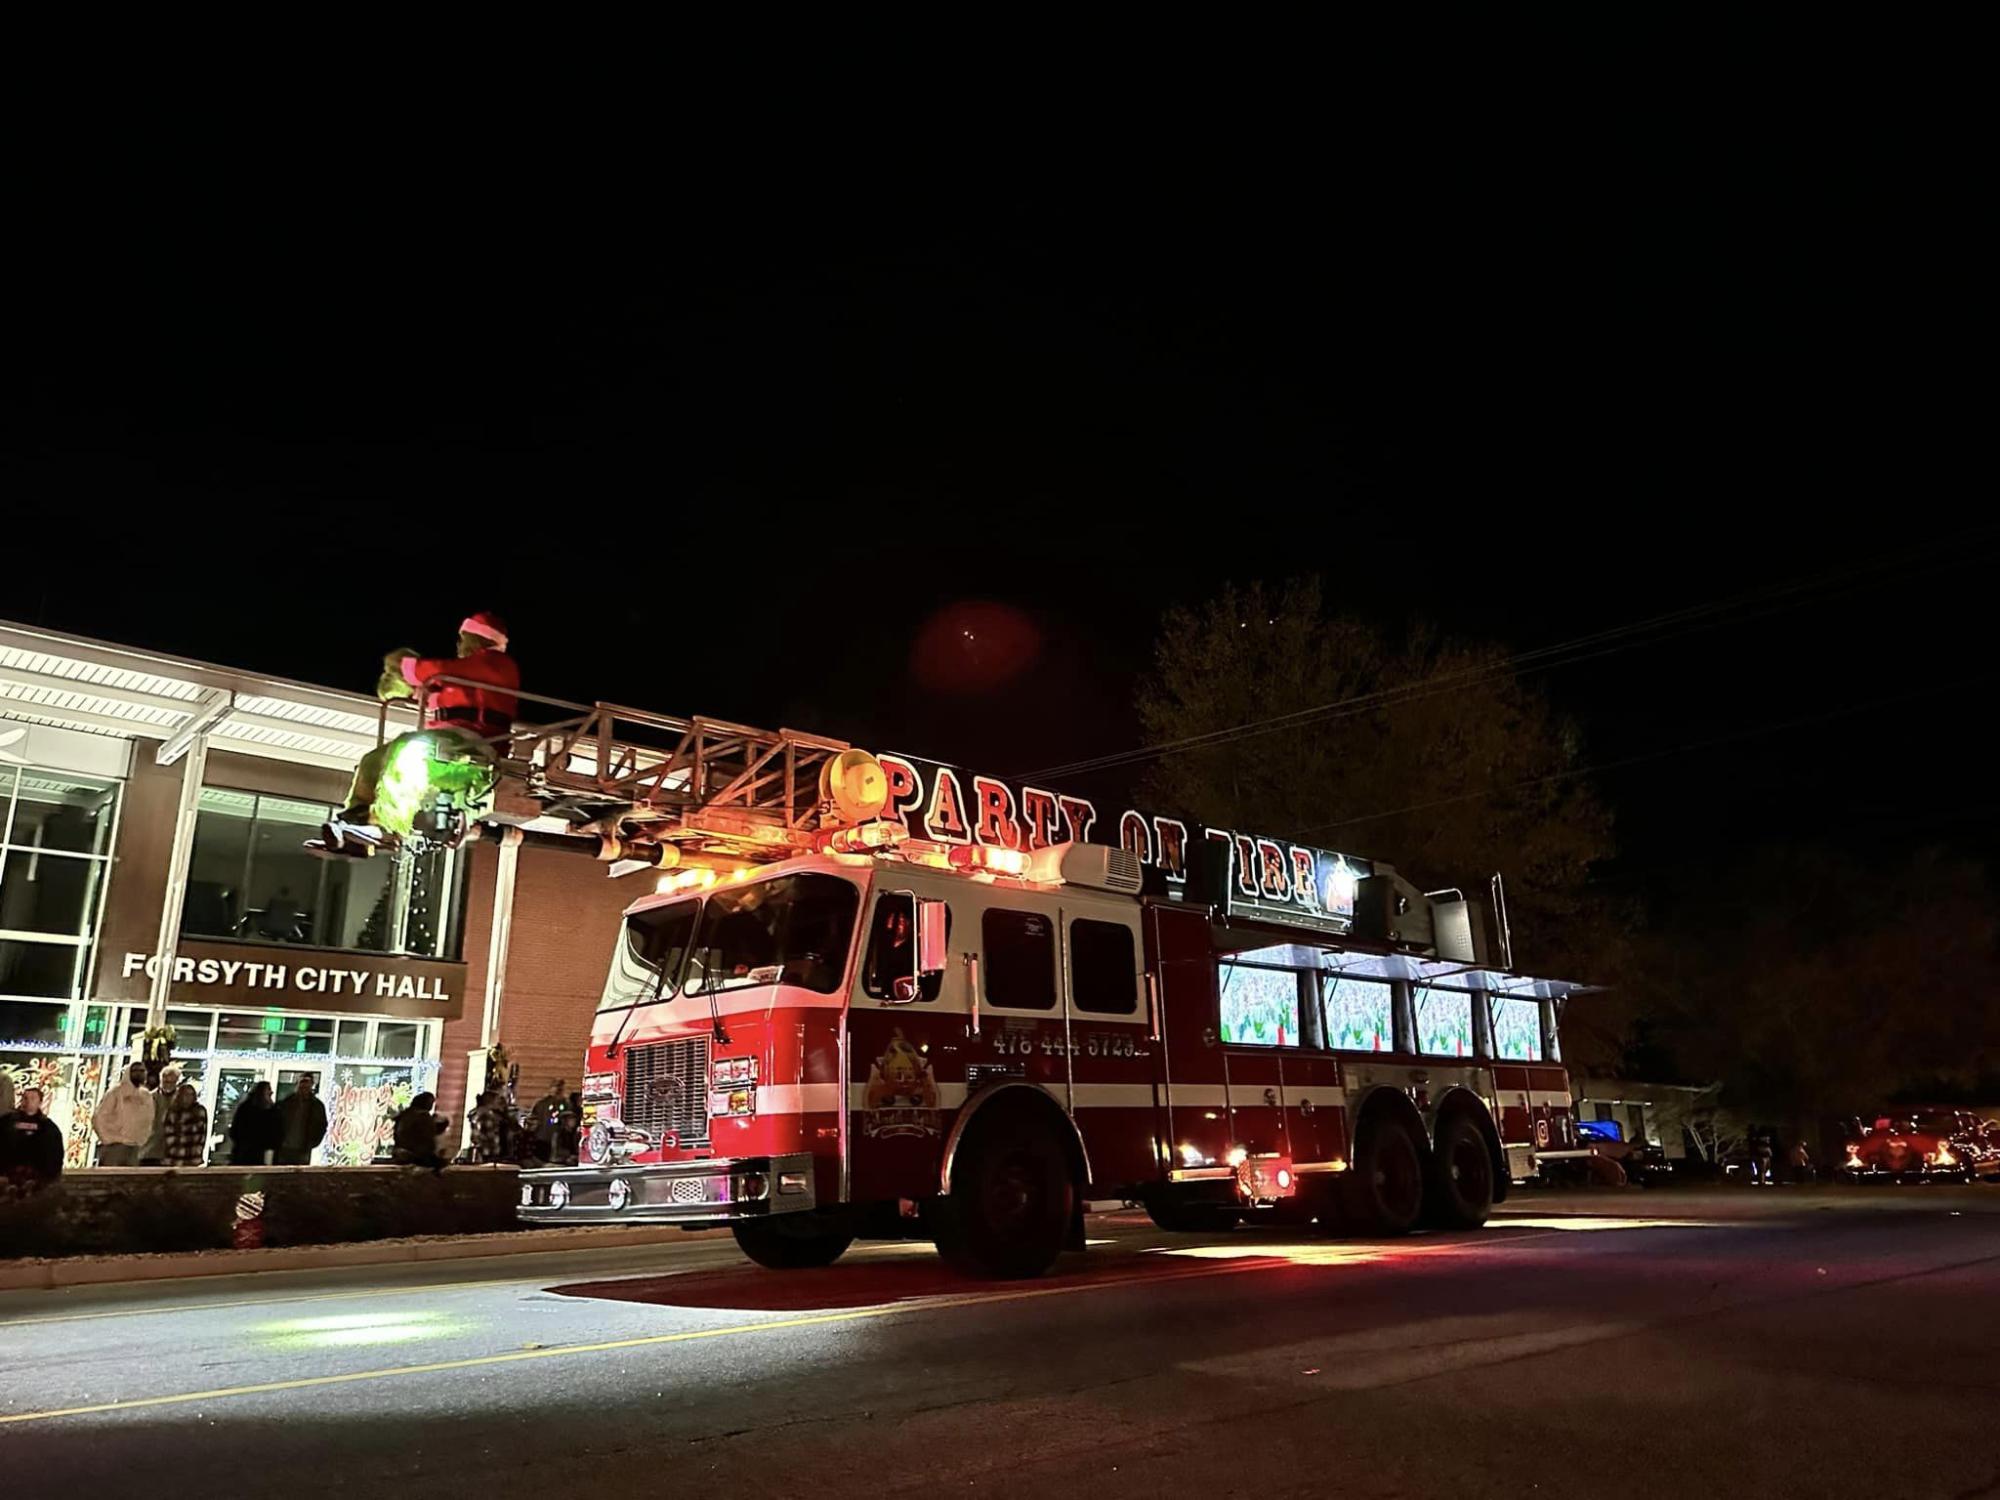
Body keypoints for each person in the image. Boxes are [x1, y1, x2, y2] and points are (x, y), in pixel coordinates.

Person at [323, 612, 520, 849]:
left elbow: (436, 671)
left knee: (407, 754)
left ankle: (382, 824)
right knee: (373, 760)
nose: (458, 645)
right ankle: (354, 819)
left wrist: (405, 666)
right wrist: (404, 689)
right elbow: (436, 688)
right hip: (449, 741)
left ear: (475, 638)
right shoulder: (465, 674)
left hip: (474, 743)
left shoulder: (497, 664)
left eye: (463, 638)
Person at [0, 1087, 64, 1191]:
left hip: (36, 1181)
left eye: (33, 1098)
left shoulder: (49, 1128)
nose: (28, 1101)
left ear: (40, 1102)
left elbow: (55, 1155)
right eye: (25, 1098)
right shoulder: (6, 1122)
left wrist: (46, 1178)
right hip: (7, 1177)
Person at [92, 1063, 156, 1166]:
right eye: (136, 1071)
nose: (139, 1074)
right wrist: (108, 1138)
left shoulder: (146, 1095)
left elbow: (149, 1119)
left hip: (135, 1147)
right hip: (114, 1146)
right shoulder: (115, 1092)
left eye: (142, 1071)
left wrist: (142, 1138)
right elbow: (99, 1117)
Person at [275, 1075, 329, 1165]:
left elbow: (322, 1125)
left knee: (298, 1174)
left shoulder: (316, 1106)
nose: (304, 1088)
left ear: (311, 1086)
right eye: (302, 1084)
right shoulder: (287, 1102)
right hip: (285, 1146)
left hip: (302, 1148)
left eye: (306, 1085)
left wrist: (312, 1143)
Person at [229, 1081, 281, 1166]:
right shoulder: (247, 1109)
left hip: (253, 1151)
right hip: (251, 1151)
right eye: (268, 1090)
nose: (271, 1092)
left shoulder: (246, 1108)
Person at [393, 1091, 448, 1171]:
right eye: (431, 1103)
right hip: (417, 1155)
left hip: (401, 1153)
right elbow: (427, 1134)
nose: (431, 1106)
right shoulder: (422, 1116)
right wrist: (442, 1124)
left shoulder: (406, 1114)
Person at [139, 1064, 183, 1166]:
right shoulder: (149, 1098)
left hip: (172, 1152)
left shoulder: (181, 1099)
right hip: (149, 1150)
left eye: (172, 1082)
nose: (168, 1085)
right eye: (166, 1081)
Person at [162, 1083, 208, 1168]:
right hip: (174, 1157)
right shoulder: (172, 1111)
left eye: (191, 1094)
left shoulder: (199, 1111)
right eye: (185, 1094)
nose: (188, 1097)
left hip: (192, 1157)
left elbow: (200, 1134)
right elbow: (168, 1133)